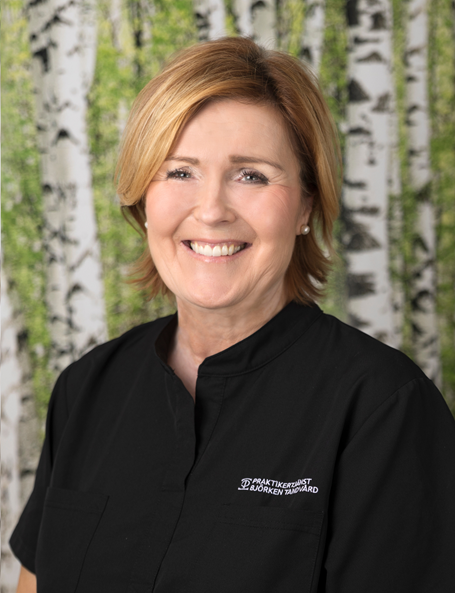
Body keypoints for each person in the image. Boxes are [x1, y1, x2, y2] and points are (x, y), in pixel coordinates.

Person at [11, 37, 455, 593]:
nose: (212, 210)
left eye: (251, 175)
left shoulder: (382, 407)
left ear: (306, 205)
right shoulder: (86, 389)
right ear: (143, 199)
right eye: (179, 172)